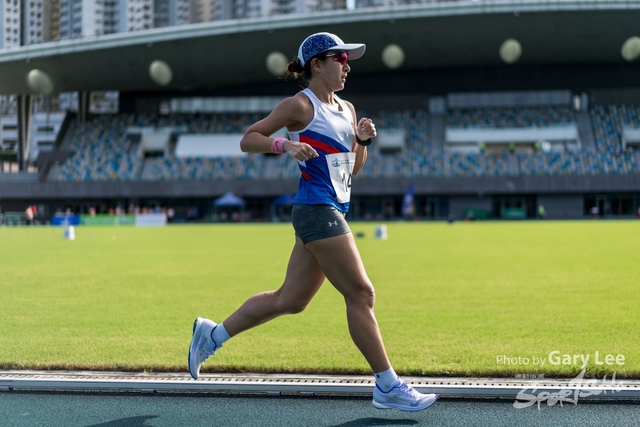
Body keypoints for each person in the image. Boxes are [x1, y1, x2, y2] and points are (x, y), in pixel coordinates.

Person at [188, 32, 438, 412]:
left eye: (347, 60)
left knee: (290, 300)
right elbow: (248, 139)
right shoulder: (299, 106)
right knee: (361, 294)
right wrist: (284, 145)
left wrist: (362, 142)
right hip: (316, 209)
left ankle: (213, 334)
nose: (347, 65)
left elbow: (354, 168)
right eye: (340, 59)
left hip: (332, 209)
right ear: (317, 65)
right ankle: (387, 385)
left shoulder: (348, 109)